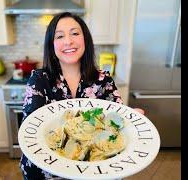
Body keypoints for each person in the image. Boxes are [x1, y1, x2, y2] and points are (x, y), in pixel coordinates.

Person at [19, 12, 144, 180]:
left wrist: (131, 117)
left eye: (75, 33)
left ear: (85, 39)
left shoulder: (103, 79)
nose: (68, 41)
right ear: (51, 45)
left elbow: (116, 121)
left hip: (97, 172)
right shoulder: (39, 79)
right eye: (60, 36)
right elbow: (30, 128)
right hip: (45, 173)